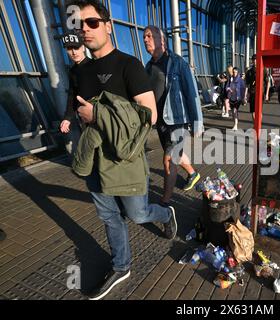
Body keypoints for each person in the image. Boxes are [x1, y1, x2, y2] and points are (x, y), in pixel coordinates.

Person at [69, 0, 177, 300]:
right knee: (109, 217)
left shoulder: (127, 65)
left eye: (92, 23)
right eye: (79, 24)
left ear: (108, 25)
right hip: (94, 161)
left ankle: (166, 214)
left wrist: (98, 115)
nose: (85, 30)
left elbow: (150, 115)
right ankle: (121, 265)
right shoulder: (81, 70)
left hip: (125, 160)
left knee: (138, 213)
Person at [143, 25, 203, 207]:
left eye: (149, 36)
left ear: (162, 40)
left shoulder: (178, 63)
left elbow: (191, 92)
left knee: (169, 158)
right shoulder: (148, 66)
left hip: (177, 119)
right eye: (144, 36)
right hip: (160, 122)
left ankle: (165, 203)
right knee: (175, 153)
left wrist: (197, 122)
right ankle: (194, 174)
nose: (145, 39)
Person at [59, 31, 91, 153]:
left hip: (103, 117)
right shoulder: (73, 71)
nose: (73, 52)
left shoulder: (95, 66)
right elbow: (72, 95)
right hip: (86, 119)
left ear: (83, 47)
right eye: (69, 48)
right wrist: (67, 118)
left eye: (76, 47)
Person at [244, 54, 270, 120]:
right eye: (253, 60)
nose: (255, 61)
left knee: (259, 111)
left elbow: (268, 82)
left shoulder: (263, 69)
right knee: (253, 111)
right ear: (252, 61)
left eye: (256, 59)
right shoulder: (249, 72)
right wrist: (245, 95)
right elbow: (247, 84)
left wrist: (267, 94)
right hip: (252, 93)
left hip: (260, 92)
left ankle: (259, 127)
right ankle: (255, 126)